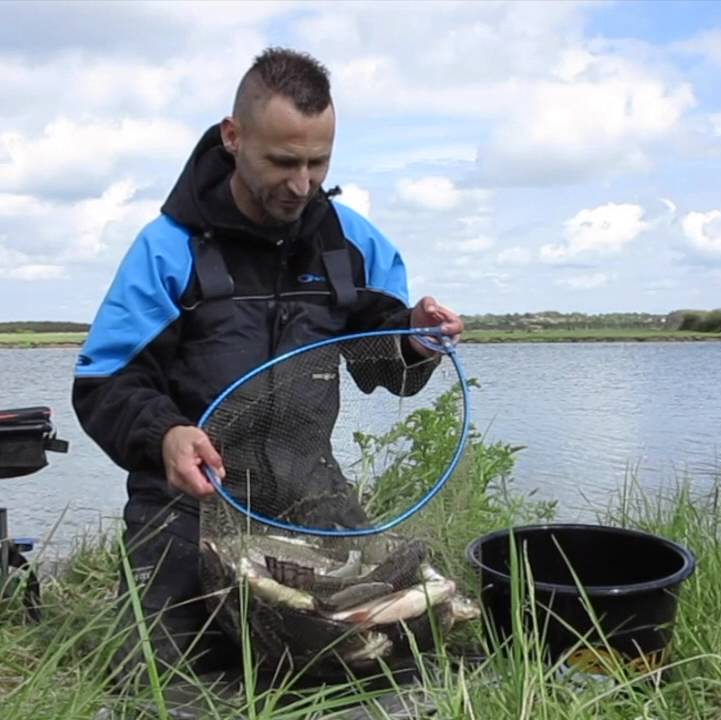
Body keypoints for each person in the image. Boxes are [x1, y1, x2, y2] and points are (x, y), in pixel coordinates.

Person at [70, 47, 463, 689]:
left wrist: (415, 339)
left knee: (390, 645)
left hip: (310, 490)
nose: (302, 183)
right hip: (188, 499)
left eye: (318, 162)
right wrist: (165, 433)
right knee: (151, 679)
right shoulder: (167, 248)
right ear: (234, 137)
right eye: (283, 161)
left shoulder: (351, 239)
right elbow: (105, 383)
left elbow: (381, 353)